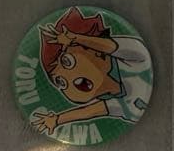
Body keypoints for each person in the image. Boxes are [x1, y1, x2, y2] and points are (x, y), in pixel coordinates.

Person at [30, 8, 151, 137]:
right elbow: (88, 111)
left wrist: (76, 38)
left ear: (96, 52)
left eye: (67, 61)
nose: (69, 78)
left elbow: (111, 47)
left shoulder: (132, 59)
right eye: (60, 82)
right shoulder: (119, 104)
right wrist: (57, 120)